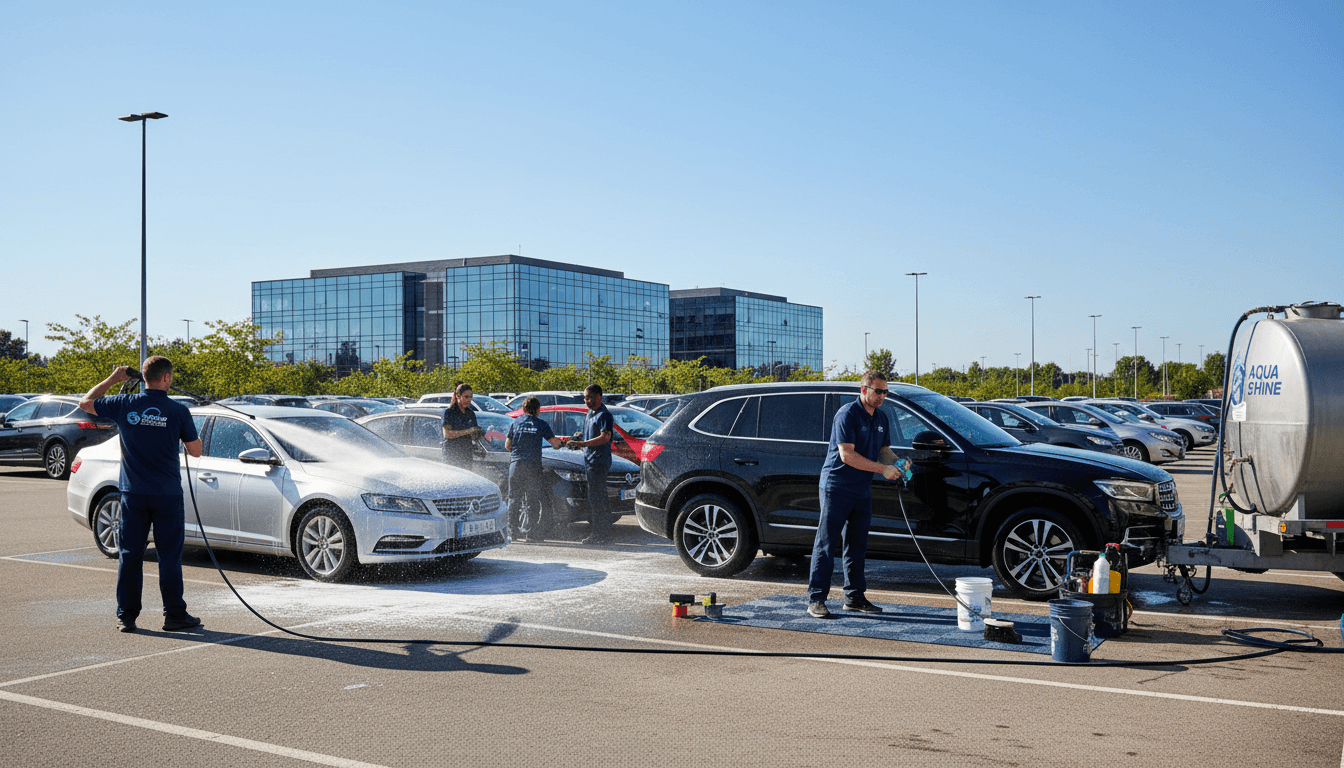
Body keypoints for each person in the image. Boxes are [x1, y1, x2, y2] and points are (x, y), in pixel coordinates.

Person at [78, 357, 203, 633]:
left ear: (144, 378)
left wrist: (113, 379)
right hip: (167, 495)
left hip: (133, 495)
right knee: (169, 555)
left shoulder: (125, 405)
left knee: (130, 553)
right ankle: (174, 615)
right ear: (167, 378)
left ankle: (127, 616)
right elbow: (196, 451)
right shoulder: (178, 410)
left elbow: (85, 403)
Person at [806, 371, 912, 618]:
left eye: (885, 392)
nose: (882, 396)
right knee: (826, 543)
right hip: (837, 487)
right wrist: (882, 469)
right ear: (863, 390)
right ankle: (816, 599)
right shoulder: (847, 414)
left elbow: (883, 451)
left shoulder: (882, 417)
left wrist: (898, 464)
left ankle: (854, 597)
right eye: (878, 391)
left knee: (857, 546)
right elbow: (847, 455)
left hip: (861, 490)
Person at [504, 397, 563, 541]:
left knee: (514, 498)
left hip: (516, 465)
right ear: (538, 410)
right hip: (532, 466)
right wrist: (565, 442)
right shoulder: (541, 424)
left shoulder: (515, 422)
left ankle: (512, 532)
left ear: (523, 409)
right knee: (532, 499)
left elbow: (507, 445)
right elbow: (555, 444)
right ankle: (530, 533)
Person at [566, 384, 615, 545]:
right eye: (585, 398)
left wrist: (584, 444)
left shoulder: (604, 415)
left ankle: (600, 535)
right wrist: (578, 438)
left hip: (599, 461)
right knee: (595, 499)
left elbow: (605, 437)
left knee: (598, 499)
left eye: (589, 397)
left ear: (598, 397)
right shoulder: (590, 413)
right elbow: (590, 433)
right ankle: (601, 534)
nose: (586, 400)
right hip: (590, 461)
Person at [440, 382, 482, 469]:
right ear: (458, 396)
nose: (469, 400)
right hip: (452, 458)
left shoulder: (470, 413)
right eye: (466, 397)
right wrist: (469, 431)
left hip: (467, 456)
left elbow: (474, 434)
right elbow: (447, 434)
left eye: (471, 397)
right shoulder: (449, 412)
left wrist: (479, 432)